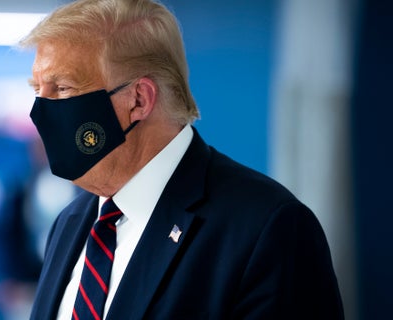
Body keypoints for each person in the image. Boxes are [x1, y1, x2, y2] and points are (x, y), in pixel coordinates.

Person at [20, 0, 344, 319]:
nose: (40, 112)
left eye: (62, 88)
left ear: (138, 100)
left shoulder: (267, 228)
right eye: (38, 89)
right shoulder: (72, 221)